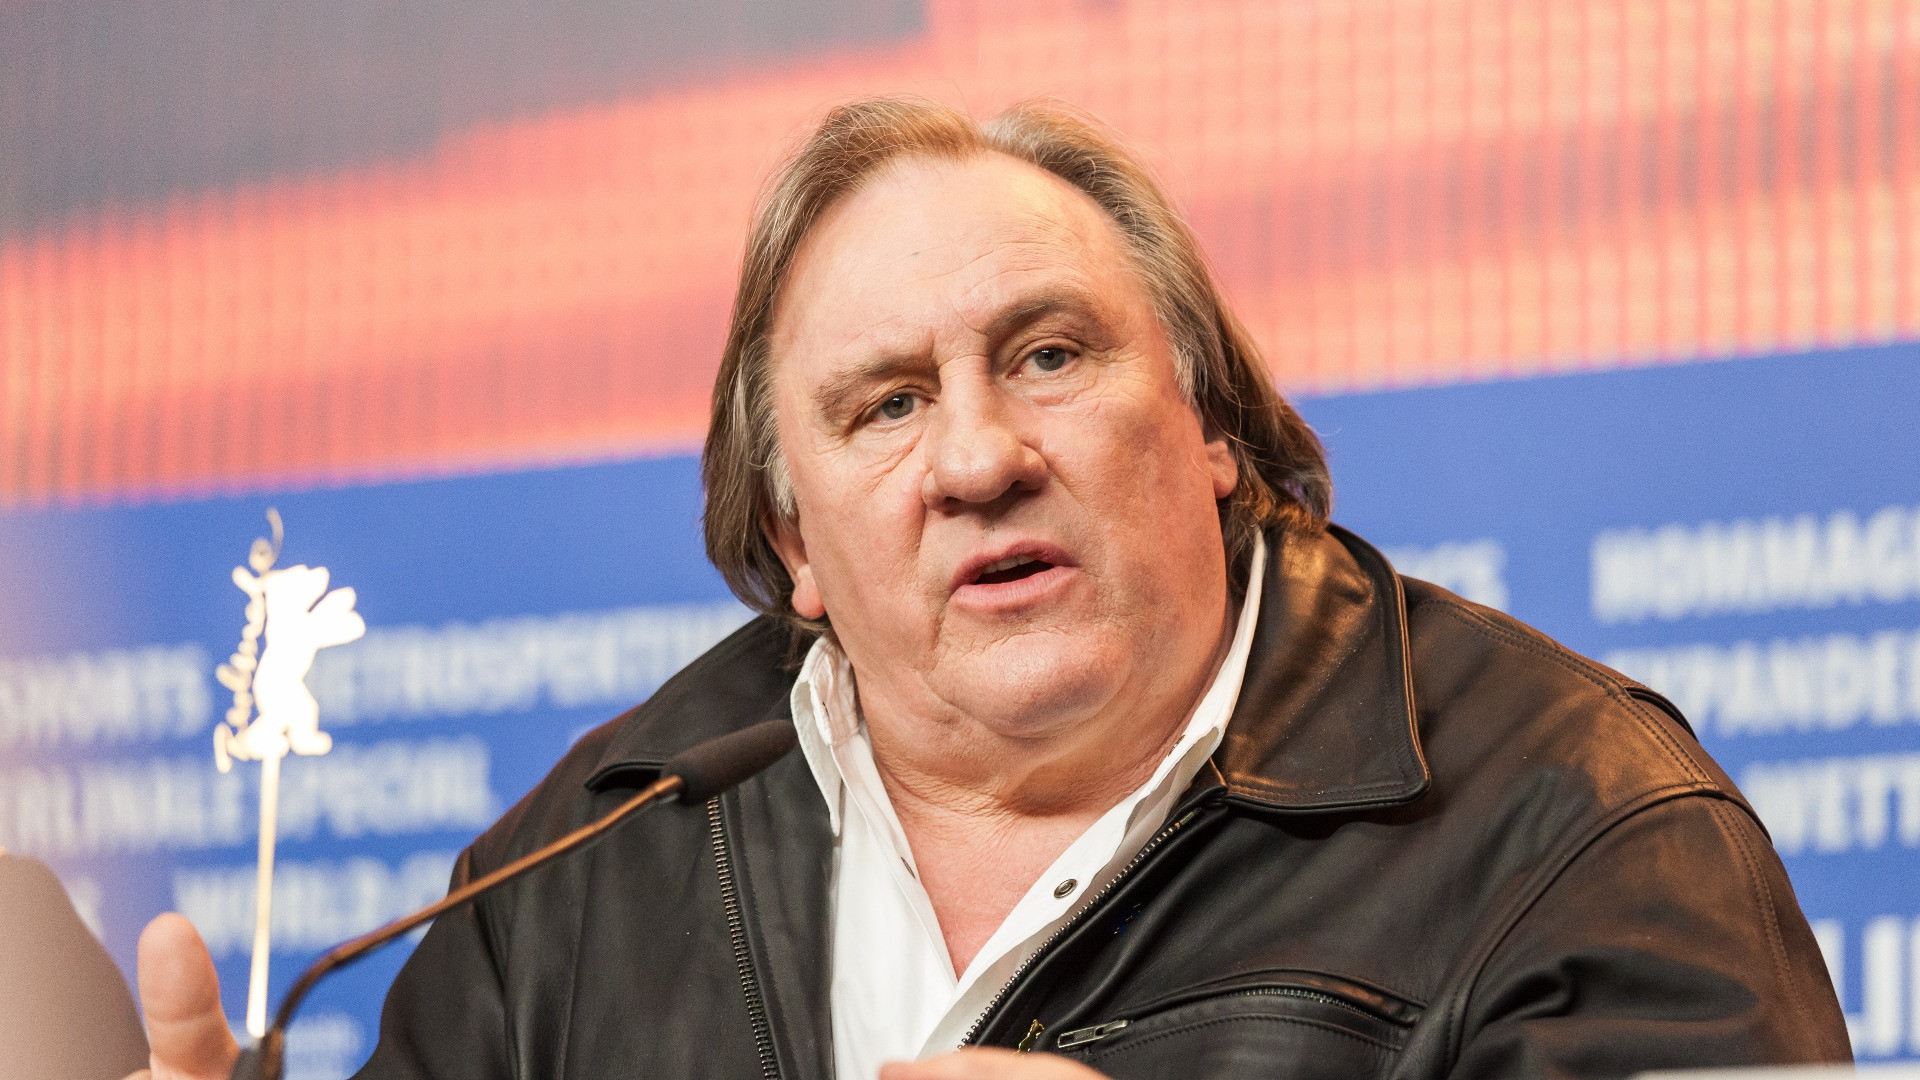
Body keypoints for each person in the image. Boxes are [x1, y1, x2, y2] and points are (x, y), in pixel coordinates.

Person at [127, 97, 1850, 1080]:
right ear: (796, 545)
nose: (975, 457)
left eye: (1047, 356)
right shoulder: (581, 873)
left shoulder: (1580, 826)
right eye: (884, 406)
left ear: (1213, 427)